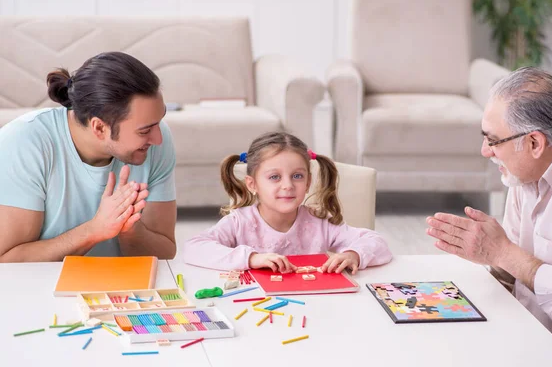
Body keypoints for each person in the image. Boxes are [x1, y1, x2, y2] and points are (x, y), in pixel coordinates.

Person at [426, 67, 552, 366]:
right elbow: (513, 271)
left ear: (534, 143)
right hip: (524, 337)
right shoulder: (525, 171)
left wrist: (503, 253)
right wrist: (487, 259)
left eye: (493, 140)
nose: (485, 151)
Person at [0, 52, 177, 262]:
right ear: (99, 127)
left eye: (159, 121)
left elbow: (166, 252)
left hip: (122, 290)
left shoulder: (155, 140)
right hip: (42, 290)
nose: (157, 138)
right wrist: (94, 230)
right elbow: (8, 261)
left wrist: (129, 229)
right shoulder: (25, 143)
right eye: (144, 130)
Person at [184, 132, 392, 273]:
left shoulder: (319, 222)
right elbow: (194, 248)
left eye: (297, 176)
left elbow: (379, 243)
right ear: (252, 184)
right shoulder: (240, 222)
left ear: (309, 181)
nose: (288, 186)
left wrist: (353, 254)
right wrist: (252, 259)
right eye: (274, 177)